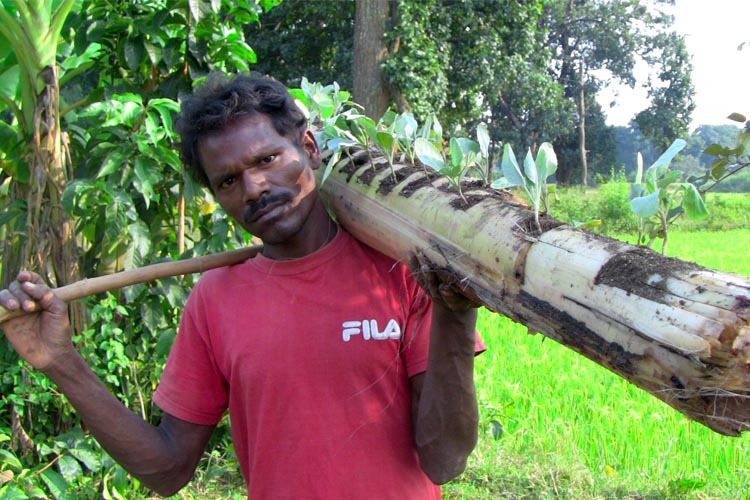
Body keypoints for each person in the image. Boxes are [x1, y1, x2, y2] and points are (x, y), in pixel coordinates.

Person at [0, 73, 484, 499]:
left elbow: (445, 461)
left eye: (268, 159)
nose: (253, 188)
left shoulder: (401, 270)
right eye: (228, 181)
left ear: (309, 149)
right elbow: (168, 470)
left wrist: (457, 311)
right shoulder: (215, 299)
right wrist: (60, 362)